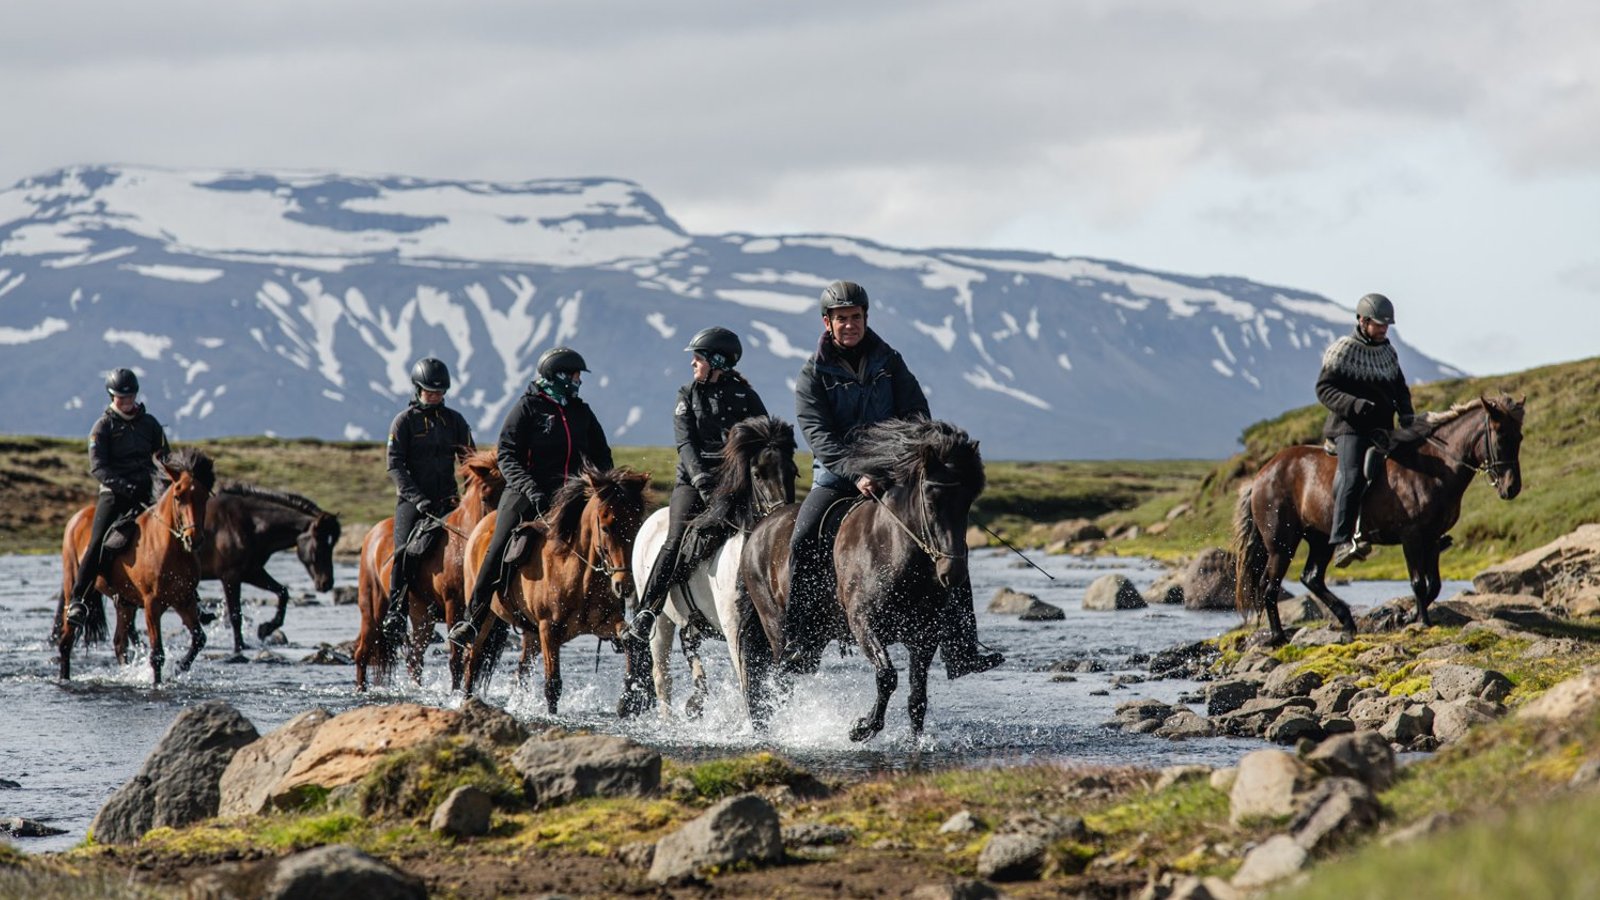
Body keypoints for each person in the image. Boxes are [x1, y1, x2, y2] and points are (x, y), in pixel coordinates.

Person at [783, 280, 1003, 678]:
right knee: (802, 539)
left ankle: (962, 649)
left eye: (855, 317)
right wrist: (856, 472)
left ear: (865, 318)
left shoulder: (890, 361)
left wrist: (916, 458)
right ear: (827, 323)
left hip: (896, 474)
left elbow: (918, 413)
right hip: (838, 476)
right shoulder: (812, 375)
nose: (849, 325)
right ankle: (798, 641)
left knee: (949, 542)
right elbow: (818, 436)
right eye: (841, 319)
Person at [448, 347, 613, 645]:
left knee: (609, 537)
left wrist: (601, 487)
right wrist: (529, 487)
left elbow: (602, 454)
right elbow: (508, 455)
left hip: (572, 495)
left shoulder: (581, 412)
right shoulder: (526, 408)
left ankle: (613, 614)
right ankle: (473, 620)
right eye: (575, 375)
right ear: (558, 376)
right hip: (525, 493)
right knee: (496, 546)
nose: (578, 381)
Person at [623, 326, 768, 644]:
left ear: (718, 361)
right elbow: (685, 443)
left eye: (698, 357)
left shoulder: (748, 397)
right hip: (693, 484)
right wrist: (702, 480)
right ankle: (647, 612)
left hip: (737, 484)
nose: (693, 363)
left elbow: (764, 439)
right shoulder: (686, 395)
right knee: (674, 540)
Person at [1315, 292, 1415, 568]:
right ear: (1362, 320)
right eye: (1379, 324)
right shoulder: (1342, 350)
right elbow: (1323, 389)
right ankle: (1341, 542)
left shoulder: (1388, 352)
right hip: (1349, 429)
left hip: (1383, 429)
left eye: (1387, 325)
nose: (1384, 329)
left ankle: (1424, 532)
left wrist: (1406, 411)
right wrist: (1353, 404)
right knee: (1353, 476)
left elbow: (1400, 388)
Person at [66, 368, 171, 626]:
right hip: (115, 494)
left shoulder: (151, 424)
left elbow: (164, 457)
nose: (126, 402)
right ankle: (78, 599)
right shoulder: (102, 427)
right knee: (97, 540)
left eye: (130, 396)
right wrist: (125, 487)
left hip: (148, 492)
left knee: (175, 532)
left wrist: (165, 484)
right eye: (120, 398)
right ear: (111, 396)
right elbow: (98, 468)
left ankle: (191, 595)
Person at [380, 357, 475, 639]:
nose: (435, 397)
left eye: (440, 392)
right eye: (430, 392)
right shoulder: (404, 422)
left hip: (448, 500)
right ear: (417, 389)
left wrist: (470, 494)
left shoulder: (455, 421)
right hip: (413, 502)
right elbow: (394, 465)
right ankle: (396, 612)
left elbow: (468, 460)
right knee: (403, 551)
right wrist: (417, 498)